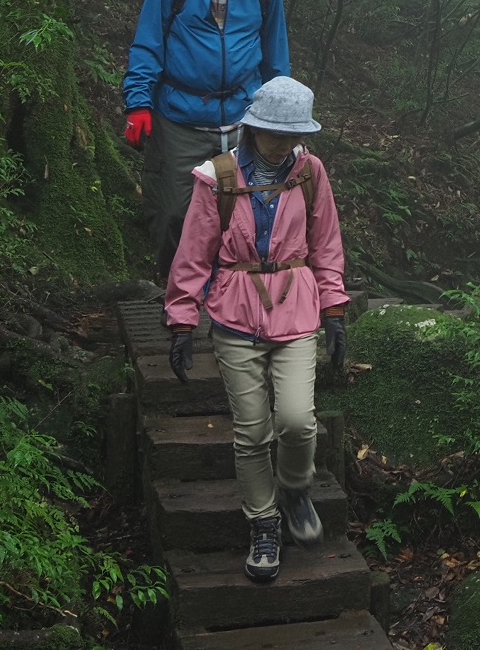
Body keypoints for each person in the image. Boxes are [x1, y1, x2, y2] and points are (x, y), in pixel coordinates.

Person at [164, 75, 349, 584]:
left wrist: (334, 311)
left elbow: (326, 244)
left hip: (296, 310)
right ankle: (263, 523)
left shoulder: (310, 173)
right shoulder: (218, 178)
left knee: (296, 421)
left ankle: (294, 487)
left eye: (291, 135)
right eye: (274, 134)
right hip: (235, 313)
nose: (283, 144)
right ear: (252, 127)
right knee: (251, 431)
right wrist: (182, 321)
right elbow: (194, 254)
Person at [124, 0, 290, 276]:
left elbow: (275, 55)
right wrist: (138, 102)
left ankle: (228, 294)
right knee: (176, 215)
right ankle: (177, 292)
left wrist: (282, 120)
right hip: (180, 117)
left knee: (247, 213)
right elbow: (148, 42)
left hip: (244, 117)